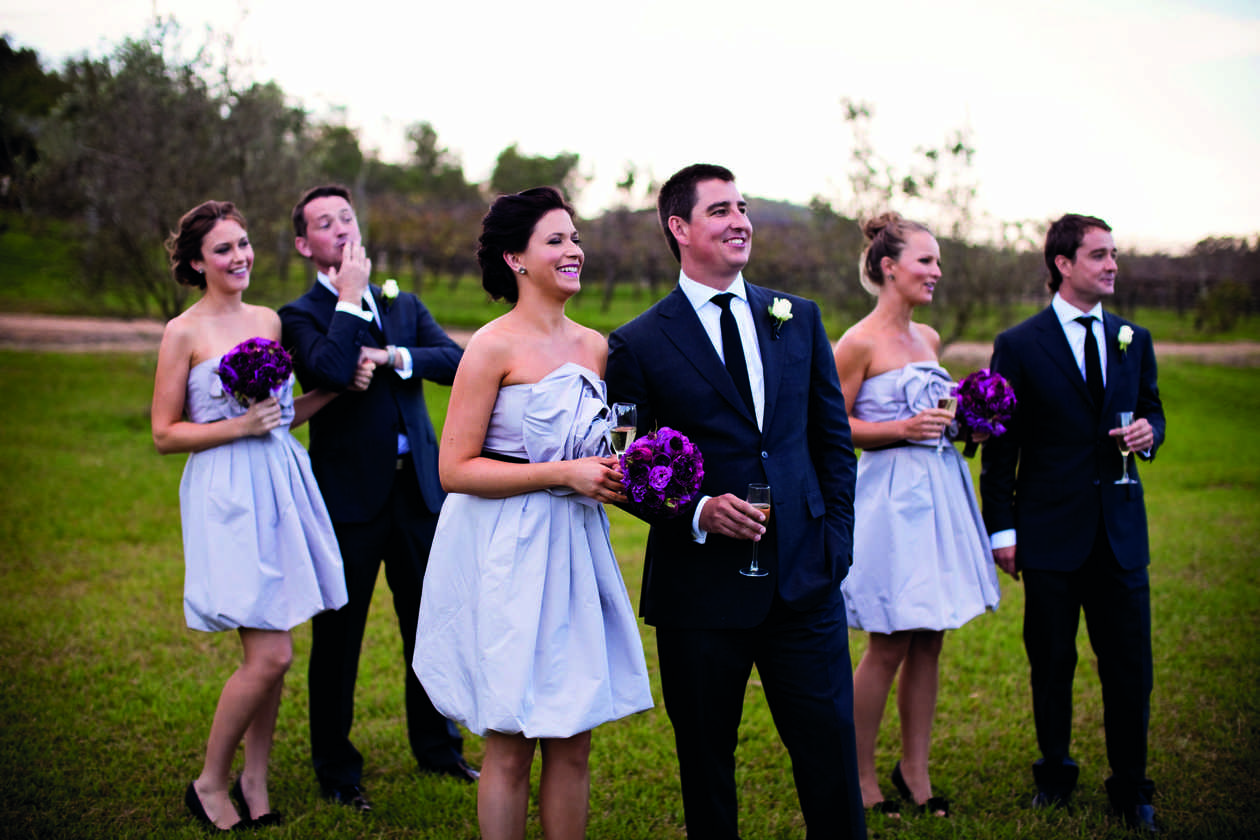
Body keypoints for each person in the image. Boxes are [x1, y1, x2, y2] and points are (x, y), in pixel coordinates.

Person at [606, 163, 866, 839]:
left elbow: (832, 444)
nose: (740, 220)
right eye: (720, 209)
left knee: (831, 755)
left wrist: (834, 544)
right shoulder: (635, 343)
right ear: (679, 228)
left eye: (743, 207)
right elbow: (626, 464)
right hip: (700, 594)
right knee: (707, 766)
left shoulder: (798, 319)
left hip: (803, 581)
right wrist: (694, 512)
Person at [413, 186, 652, 840]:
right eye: (556, 240)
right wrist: (560, 474)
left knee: (573, 736)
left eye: (575, 238)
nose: (574, 250)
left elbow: (609, 446)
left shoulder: (599, 347)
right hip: (506, 547)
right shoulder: (491, 347)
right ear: (516, 258)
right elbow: (454, 469)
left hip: (575, 547)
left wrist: (625, 473)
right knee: (511, 736)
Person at [151, 200, 349, 831]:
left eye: (243, 244)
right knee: (271, 655)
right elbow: (163, 433)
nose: (239, 257)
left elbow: (283, 414)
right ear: (195, 263)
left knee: (282, 631)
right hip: (225, 490)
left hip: (279, 479)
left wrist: (335, 387)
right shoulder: (183, 332)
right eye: (222, 250)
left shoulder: (267, 318)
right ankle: (210, 781)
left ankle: (255, 779)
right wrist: (238, 424)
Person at [278, 185, 472, 813]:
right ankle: (337, 769)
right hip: (348, 501)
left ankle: (438, 748)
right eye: (324, 224)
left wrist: (393, 354)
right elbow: (330, 371)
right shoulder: (301, 314)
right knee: (339, 638)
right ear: (305, 244)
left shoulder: (404, 302)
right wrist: (350, 301)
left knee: (428, 626)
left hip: (417, 493)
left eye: (346, 218)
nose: (340, 230)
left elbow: (454, 361)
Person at [980, 213, 1165, 833]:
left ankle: (1131, 788)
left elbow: (1154, 415)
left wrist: (1147, 434)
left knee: (1129, 667)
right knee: (1052, 662)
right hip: (1050, 532)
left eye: (1114, 254)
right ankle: (1054, 775)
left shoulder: (1133, 339)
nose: (1113, 264)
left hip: (1120, 533)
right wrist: (1001, 530)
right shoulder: (1020, 343)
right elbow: (1001, 446)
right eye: (1099, 255)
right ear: (1063, 264)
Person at [832, 212, 1001, 819]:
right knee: (889, 641)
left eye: (937, 261)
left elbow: (938, 410)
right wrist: (901, 428)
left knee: (931, 637)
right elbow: (836, 428)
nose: (936, 271)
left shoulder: (928, 338)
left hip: (940, 494)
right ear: (888, 267)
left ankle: (915, 771)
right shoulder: (857, 343)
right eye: (926, 260)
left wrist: (964, 418)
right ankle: (857, 777)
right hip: (891, 503)